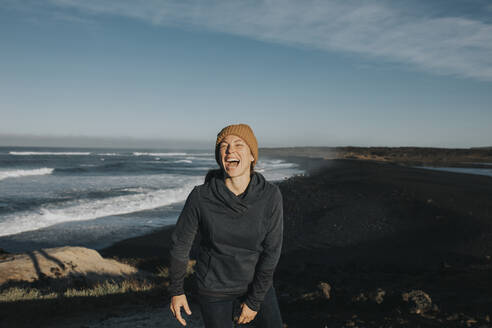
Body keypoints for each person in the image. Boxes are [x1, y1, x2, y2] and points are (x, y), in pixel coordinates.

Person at [168, 123, 284, 327]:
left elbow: (272, 252)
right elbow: (180, 246)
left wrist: (254, 301)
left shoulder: (270, 195)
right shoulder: (200, 196)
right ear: (219, 157)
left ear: (251, 156)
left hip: (256, 285)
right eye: (223, 145)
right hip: (214, 289)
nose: (230, 150)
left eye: (239, 144)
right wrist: (177, 291)